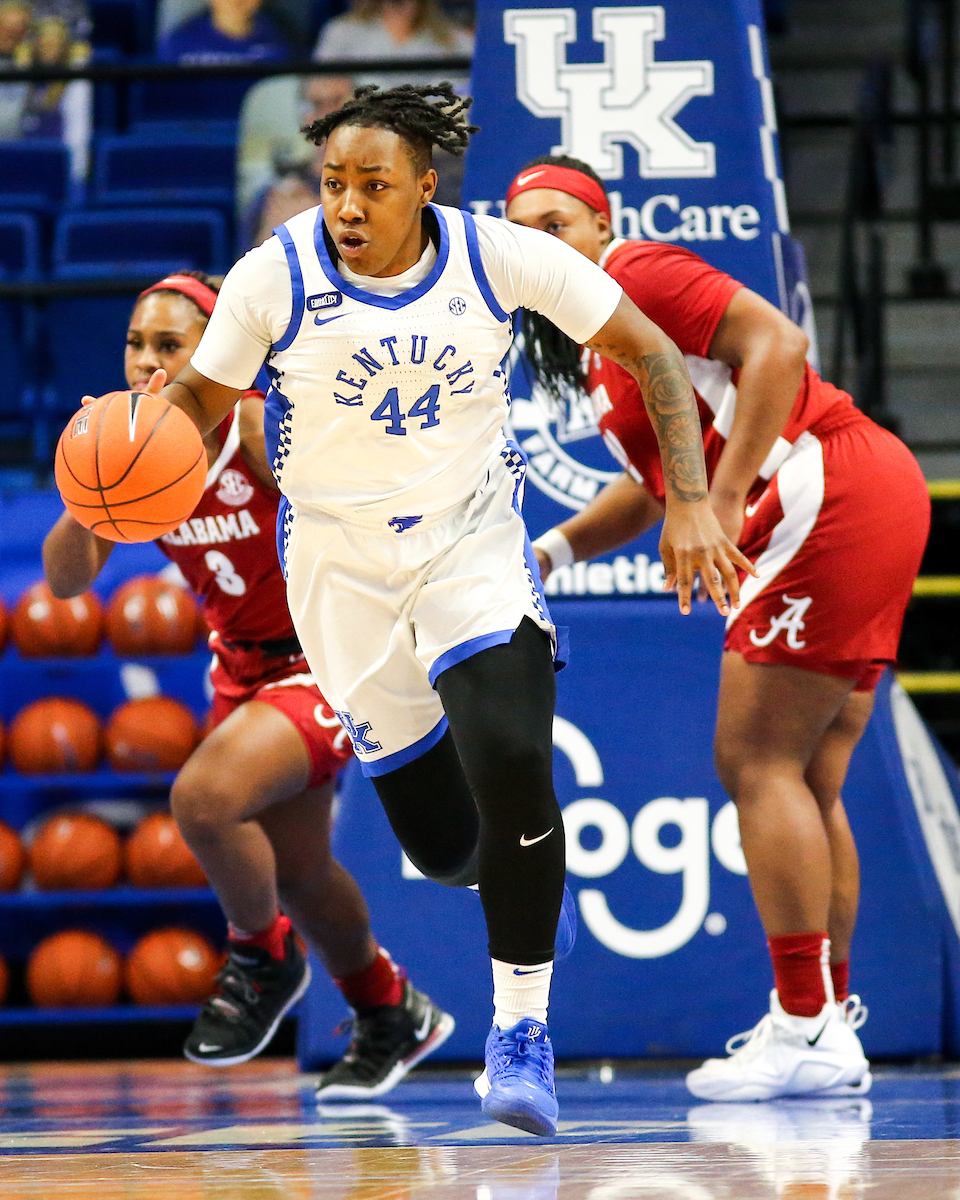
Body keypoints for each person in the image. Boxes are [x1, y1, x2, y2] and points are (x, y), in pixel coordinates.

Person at [123, 82, 748, 1136]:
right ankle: (517, 878)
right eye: (333, 182)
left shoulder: (497, 257)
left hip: (470, 545)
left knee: (512, 756)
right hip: (339, 573)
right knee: (449, 846)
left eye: (372, 184)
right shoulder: (274, 274)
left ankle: (520, 1035)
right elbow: (201, 399)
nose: (347, 203)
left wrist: (688, 498)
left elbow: (649, 349)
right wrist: (137, 440)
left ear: (424, 186)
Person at [505, 154, 931, 1103]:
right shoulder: (596, 343)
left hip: (822, 483)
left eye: (555, 226)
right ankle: (825, 1020)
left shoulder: (635, 271)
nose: (539, 248)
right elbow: (653, 485)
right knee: (808, 777)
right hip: (859, 487)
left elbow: (779, 342)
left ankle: (805, 1024)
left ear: (599, 226)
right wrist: (554, 553)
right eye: (519, 235)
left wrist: (723, 496)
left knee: (756, 762)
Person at [43, 270, 455, 1099]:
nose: (147, 361)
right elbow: (65, 581)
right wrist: (88, 482)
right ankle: (389, 1010)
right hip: (243, 663)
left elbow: (372, 518)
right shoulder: (133, 448)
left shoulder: (258, 426)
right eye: (135, 344)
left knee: (204, 800)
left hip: (332, 654)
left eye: (170, 344)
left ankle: (262, 958)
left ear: (218, 351)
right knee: (299, 870)